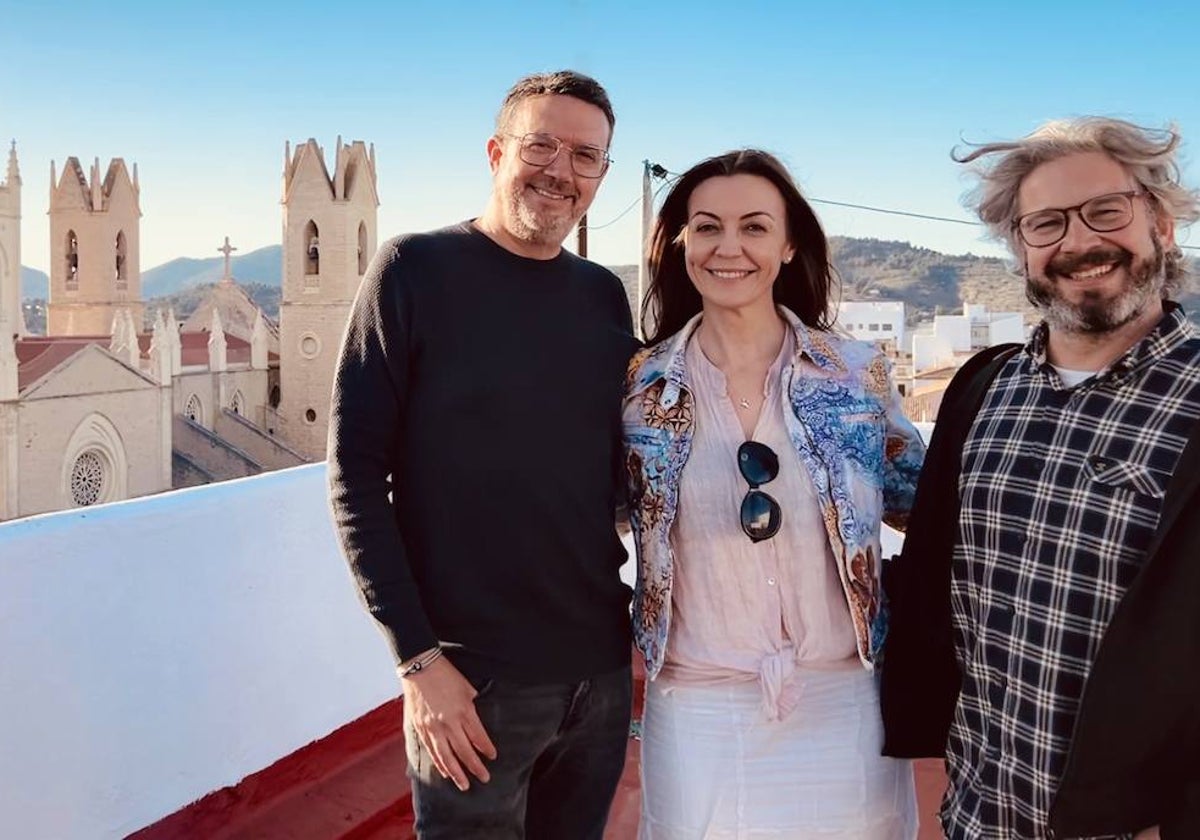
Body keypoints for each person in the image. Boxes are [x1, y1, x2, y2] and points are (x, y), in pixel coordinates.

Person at [327, 70, 639, 839]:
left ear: (600, 176)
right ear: (498, 152)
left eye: (586, 156)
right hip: (471, 681)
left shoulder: (603, 295)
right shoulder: (413, 270)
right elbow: (355, 477)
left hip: (599, 673)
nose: (561, 171)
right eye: (541, 145)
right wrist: (419, 664)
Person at [881, 117, 1200, 840]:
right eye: (1046, 223)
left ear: (1160, 223)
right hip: (980, 814)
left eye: (1105, 211)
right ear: (1019, 248)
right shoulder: (981, 391)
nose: (1079, 242)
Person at [622, 149, 925, 839]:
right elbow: (576, 515)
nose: (729, 248)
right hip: (698, 706)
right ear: (681, 243)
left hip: (843, 699)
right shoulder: (638, 387)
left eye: (754, 227)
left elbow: (930, 509)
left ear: (789, 245)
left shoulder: (853, 376)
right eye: (707, 227)